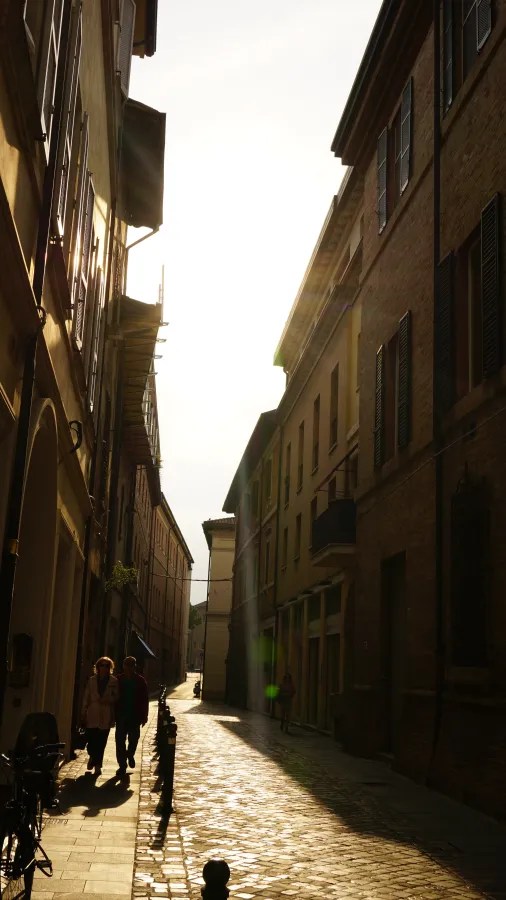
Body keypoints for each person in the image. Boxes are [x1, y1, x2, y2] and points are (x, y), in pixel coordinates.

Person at [81, 656, 118, 776]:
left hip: (106, 713)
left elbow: (117, 696)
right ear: (97, 667)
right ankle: (92, 757)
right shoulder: (92, 680)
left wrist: (109, 699)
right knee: (91, 741)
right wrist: (83, 712)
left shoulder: (113, 681)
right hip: (93, 713)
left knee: (101, 742)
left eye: (107, 665)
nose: (104, 668)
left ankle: (98, 765)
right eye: (102, 665)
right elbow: (86, 696)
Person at [115, 656, 149, 776]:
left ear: (134, 667)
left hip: (135, 716)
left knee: (133, 739)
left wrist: (145, 716)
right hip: (121, 715)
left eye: (131, 665)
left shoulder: (140, 681)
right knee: (119, 741)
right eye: (126, 665)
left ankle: (130, 755)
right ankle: (122, 765)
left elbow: (145, 699)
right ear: (123, 665)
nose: (128, 667)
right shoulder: (118, 679)